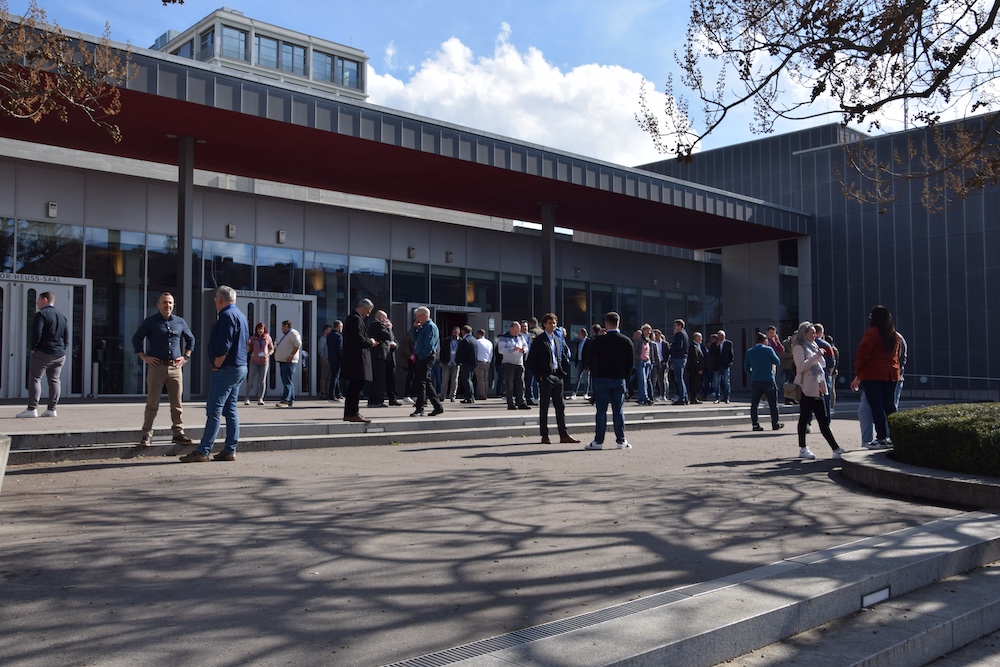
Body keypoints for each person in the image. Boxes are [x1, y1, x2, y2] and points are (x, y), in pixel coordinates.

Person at [180, 285, 249, 462]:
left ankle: (203, 451)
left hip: (226, 368)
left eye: (215, 300)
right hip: (239, 366)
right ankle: (230, 450)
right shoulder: (241, 315)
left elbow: (224, 345)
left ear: (219, 300)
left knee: (214, 409)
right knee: (230, 409)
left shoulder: (226, 316)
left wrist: (217, 365)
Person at [131, 292, 196, 446]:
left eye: (170, 303)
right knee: (152, 402)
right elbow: (136, 338)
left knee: (177, 403)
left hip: (175, 367)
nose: (168, 305)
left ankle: (178, 433)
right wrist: (144, 357)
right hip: (157, 367)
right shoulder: (151, 322)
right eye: (165, 302)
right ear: (159, 304)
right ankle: (147, 434)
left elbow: (191, 339)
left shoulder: (179, 322)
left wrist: (186, 356)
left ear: (173, 305)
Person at [850, 305, 902, 449]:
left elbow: (863, 355)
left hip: (873, 374)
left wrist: (858, 375)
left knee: (876, 406)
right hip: (891, 374)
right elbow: (897, 356)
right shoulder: (894, 335)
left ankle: (881, 438)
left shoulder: (871, 333)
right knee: (889, 406)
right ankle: (894, 436)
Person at [791, 321, 845, 460]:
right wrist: (816, 356)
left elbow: (820, 368)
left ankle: (835, 449)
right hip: (806, 388)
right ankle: (804, 448)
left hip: (817, 387)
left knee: (822, 419)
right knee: (805, 418)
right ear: (805, 334)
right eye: (812, 333)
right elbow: (801, 367)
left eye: (815, 333)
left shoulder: (814, 345)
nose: (815, 335)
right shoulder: (799, 347)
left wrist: (823, 384)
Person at [525, 313, 580, 445]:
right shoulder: (539, 340)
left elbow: (561, 356)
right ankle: (544, 435)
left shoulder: (557, 339)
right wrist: (539, 375)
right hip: (545, 376)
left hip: (557, 375)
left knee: (560, 406)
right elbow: (531, 360)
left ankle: (563, 434)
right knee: (544, 406)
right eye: (550, 323)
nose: (552, 325)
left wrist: (562, 371)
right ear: (544, 324)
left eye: (554, 323)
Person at [583, 311, 634, 450]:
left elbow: (590, 354)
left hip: (602, 378)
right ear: (618, 323)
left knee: (601, 411)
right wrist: (625, 377)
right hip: (619, 379)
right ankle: (621, 441)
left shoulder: (600, 340)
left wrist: (597, 338)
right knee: (618, 410)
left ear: (606, 323)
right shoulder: (626, 341)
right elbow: (630, 364)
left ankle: (598, 441)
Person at [17, 291, 69, 419]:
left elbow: (37, 333)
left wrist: (33, 348)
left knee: (35, 378)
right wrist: (62, 349)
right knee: (54, 380)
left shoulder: (41, 315)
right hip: (59, 354)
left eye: (38, 300)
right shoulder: (62, 316)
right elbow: (66, 337)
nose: (37, 303)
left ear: (45, 300)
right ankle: (52, 409)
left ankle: (32, 409)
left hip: (44, 352)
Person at [343, 299, 377, 423]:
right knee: (357, 386)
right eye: (368, 311)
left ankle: (349, 413)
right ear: (363, 308)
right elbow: (358, 338)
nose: (368, 314)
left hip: (354, 357)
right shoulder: (355, 319)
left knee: (354, 386)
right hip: (357, 358)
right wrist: (370, 341)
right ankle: (353, 413)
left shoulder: (353, 318)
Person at [743, 332, 784, 432]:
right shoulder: (768, 350)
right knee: (773, 404)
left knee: (755, 404)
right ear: (764, 341)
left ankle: (755, 424)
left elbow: (746, 367)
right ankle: (775, 423)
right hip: (768, 379)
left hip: (756, 380)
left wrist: (753, 373)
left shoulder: (750, 351)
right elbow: (777, 361)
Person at [409, 306, 445, 417]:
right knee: (425, 381)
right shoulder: (423, 327)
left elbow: (429, 345)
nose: (416, 318)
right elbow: (414, 338)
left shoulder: (430, 327)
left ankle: (420, 408)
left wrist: (421, 356)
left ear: (424, 315)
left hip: (426, 357)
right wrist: (414, 328)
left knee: (421, 382)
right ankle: (437, 406)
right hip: (422, 356)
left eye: (418, 316)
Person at [497, 321, 530, 410]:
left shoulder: (520, 336)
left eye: (518, 330)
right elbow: (500, 350)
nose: (517, 332)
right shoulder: (504, 337)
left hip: (519, 363)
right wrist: (512, 350)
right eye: (516, 330)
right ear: (511, 329)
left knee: (521, 384)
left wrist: (523, 350)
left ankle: (521, 402)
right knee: (509, 384)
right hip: (508, 363)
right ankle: (510, 403)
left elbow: (526, 346)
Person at [367, 310, 394, 408]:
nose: (386, 320)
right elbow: (388, 336)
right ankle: (377, 400)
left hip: (375, 355)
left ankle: (372, 400)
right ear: (381, 317)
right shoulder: (377, 325)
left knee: (375, 379)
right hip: (379, 355)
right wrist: (389, 328)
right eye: (385, 318)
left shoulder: (372, 325)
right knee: (379, 379)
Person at [244, 322, 274, 405]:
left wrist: (268, 354)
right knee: (250, 380)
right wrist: (248, 347)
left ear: (264, 329)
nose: (260, 330)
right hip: (254, 361)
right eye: (259, 329)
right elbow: (248, 347)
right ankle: (247, 398)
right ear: (256, 329)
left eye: (262, 329)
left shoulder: (267, 337)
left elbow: (272, 348)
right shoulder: (253, 338)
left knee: (262, 381)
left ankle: (260, 398)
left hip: (264, 361)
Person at [274, 320, 302, 407]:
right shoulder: (288, 335)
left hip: (289, 362)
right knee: (288, 381)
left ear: (286, 326)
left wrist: (291, 355)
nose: (281, 328)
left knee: (286, 381)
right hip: (284, 361)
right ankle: (290, 399)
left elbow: (298, 344)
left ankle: (285, 400)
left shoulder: (293, 333)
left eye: (282, 326)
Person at [708, 329, 735, 403]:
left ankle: (726, 397)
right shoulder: (714, 344)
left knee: (726, 382)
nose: (721, 337)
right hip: (716, 366)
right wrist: (717, 346)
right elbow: (711, 354)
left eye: (722, 336)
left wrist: (730, 363)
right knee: (716, 382)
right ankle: (717, 398)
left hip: (725, 365)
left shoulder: (728, 343)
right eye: (720, 336)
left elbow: (731, 354)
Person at [668, 318, 690, 405]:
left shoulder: (679, 334)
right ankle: (685, 397)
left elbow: (678, 346)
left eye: (675, 325)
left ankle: (682, 398)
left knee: (678, 379)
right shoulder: (685, 334)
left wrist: (671, 347)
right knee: (681, 379)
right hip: (683, 357)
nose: (674, 327)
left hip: (678, 358)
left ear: (680, 326)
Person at [473, 328, 494, 400]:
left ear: (479, 334)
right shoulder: (489, 342)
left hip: (479, 362)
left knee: (480, 379)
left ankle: (482, 394)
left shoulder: (477, 342)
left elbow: (475, 352)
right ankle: (485, 393)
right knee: (485, 379)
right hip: (487, 362)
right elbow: (491, 353)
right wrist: (489, 360)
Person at [326, 320, 344, 401]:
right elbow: (339, 349)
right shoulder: (339, 336)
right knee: (335, 377)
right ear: (339, 327)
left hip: (331, 358)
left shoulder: (329, 335)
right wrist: (342, 358)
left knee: (335, 376)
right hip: (337, 358)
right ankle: (332, 394)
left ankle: (338, 393)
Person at [687, 331, 706, 404]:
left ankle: (694, 398)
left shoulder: (700, 346)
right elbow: (694, 358)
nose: (701, 339)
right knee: (694, 384)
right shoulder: (693, 346)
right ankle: (693, 398)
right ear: (696, 338)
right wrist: (698, 369)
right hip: (694, 370)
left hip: (700, 369)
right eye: (700, 337)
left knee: (697, 384)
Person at [317, 324, 332, 398]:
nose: (330, 331)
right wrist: (323, 359)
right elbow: (320, 350)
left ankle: (327, 391)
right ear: (325, 330)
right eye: (329, 330)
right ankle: (322, 392)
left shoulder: (328, 339)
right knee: (324, 376)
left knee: (329, 376)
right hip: (325, 360)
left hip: (329, 360)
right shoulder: (322, 339)